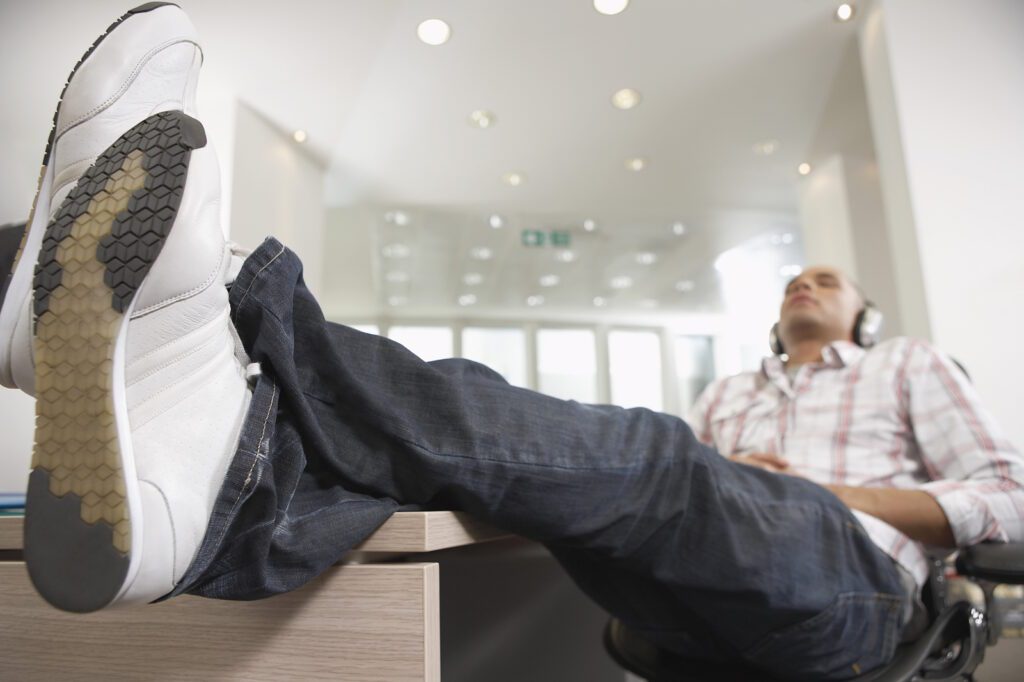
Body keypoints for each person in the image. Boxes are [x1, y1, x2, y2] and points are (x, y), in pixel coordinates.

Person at [1, 5, 1021, 680]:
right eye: (797, 276)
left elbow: (1006, 509)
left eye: (828, 280)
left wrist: (819, 491)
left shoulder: (907, 365)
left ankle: (213, 330)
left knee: (657, 464)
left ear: (861, 316)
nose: (808, 281)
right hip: (704, 583)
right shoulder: (737, 392)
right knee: (563, 475)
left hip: (857, 593)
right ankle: (211, 471)